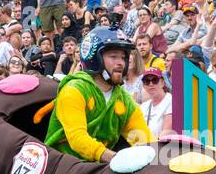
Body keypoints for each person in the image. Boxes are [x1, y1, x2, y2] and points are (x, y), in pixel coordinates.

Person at [45, 27, 152, 162]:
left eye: (123, 57)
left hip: (99, 170)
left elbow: (143, 140)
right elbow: (77, 138)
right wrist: (114, 158)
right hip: (62, 166)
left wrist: (163, 156)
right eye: (113, 56)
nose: (120, 62)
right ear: (94, 58)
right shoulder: (73, 90)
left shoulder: (124, 100)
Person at [138, 68, 172, 138]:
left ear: (162, 83)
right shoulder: (143, 106)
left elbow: (166, 133)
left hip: (161, 146)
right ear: (144, 86)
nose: (151, 84)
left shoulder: (171, 101)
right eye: (147, 81)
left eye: (155, 80)